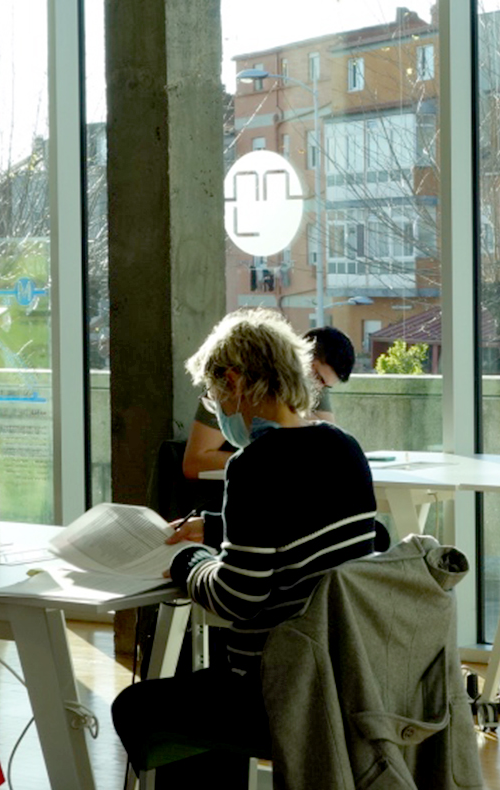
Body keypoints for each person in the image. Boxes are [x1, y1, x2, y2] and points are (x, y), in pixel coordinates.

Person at [112, 309, 379, 783]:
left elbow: (238, 597)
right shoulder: (345, 448)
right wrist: (216, 529)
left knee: (137, 706)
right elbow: (300, 527)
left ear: (234, 381)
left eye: (214, 396)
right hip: (347, 678)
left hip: (279, 691)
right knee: (204, 692)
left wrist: (186, 563)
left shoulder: (256, 464)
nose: (216, 406)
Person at [179, 324, 355, 480]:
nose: (314, 387)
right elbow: (194, 462)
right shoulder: (346, 447)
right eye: (315, 376)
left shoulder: (337, 445)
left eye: (323, 386)